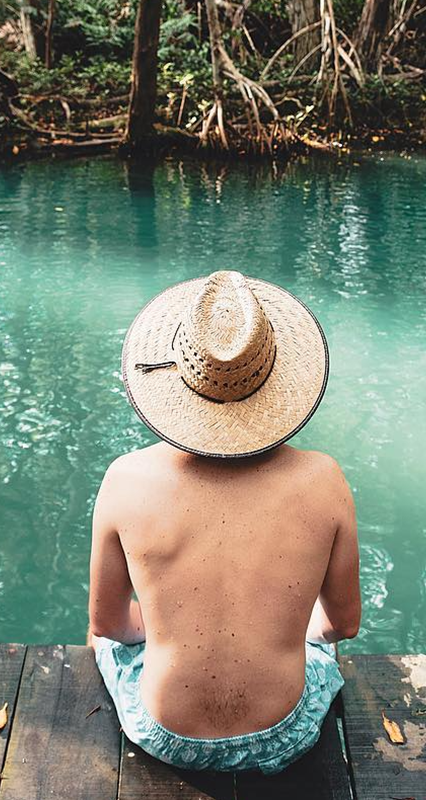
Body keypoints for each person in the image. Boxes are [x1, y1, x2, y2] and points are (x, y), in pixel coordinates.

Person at [88, 270, 360, 774]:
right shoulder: (324, 480)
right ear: (279, 378)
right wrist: (285, 630)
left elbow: (108, 624)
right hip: (286, 733)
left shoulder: (125, 479)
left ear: (176, 378)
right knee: (316, 646)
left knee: (99, 640)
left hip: (166, 735)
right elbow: (342, 624)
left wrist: (170, 629)